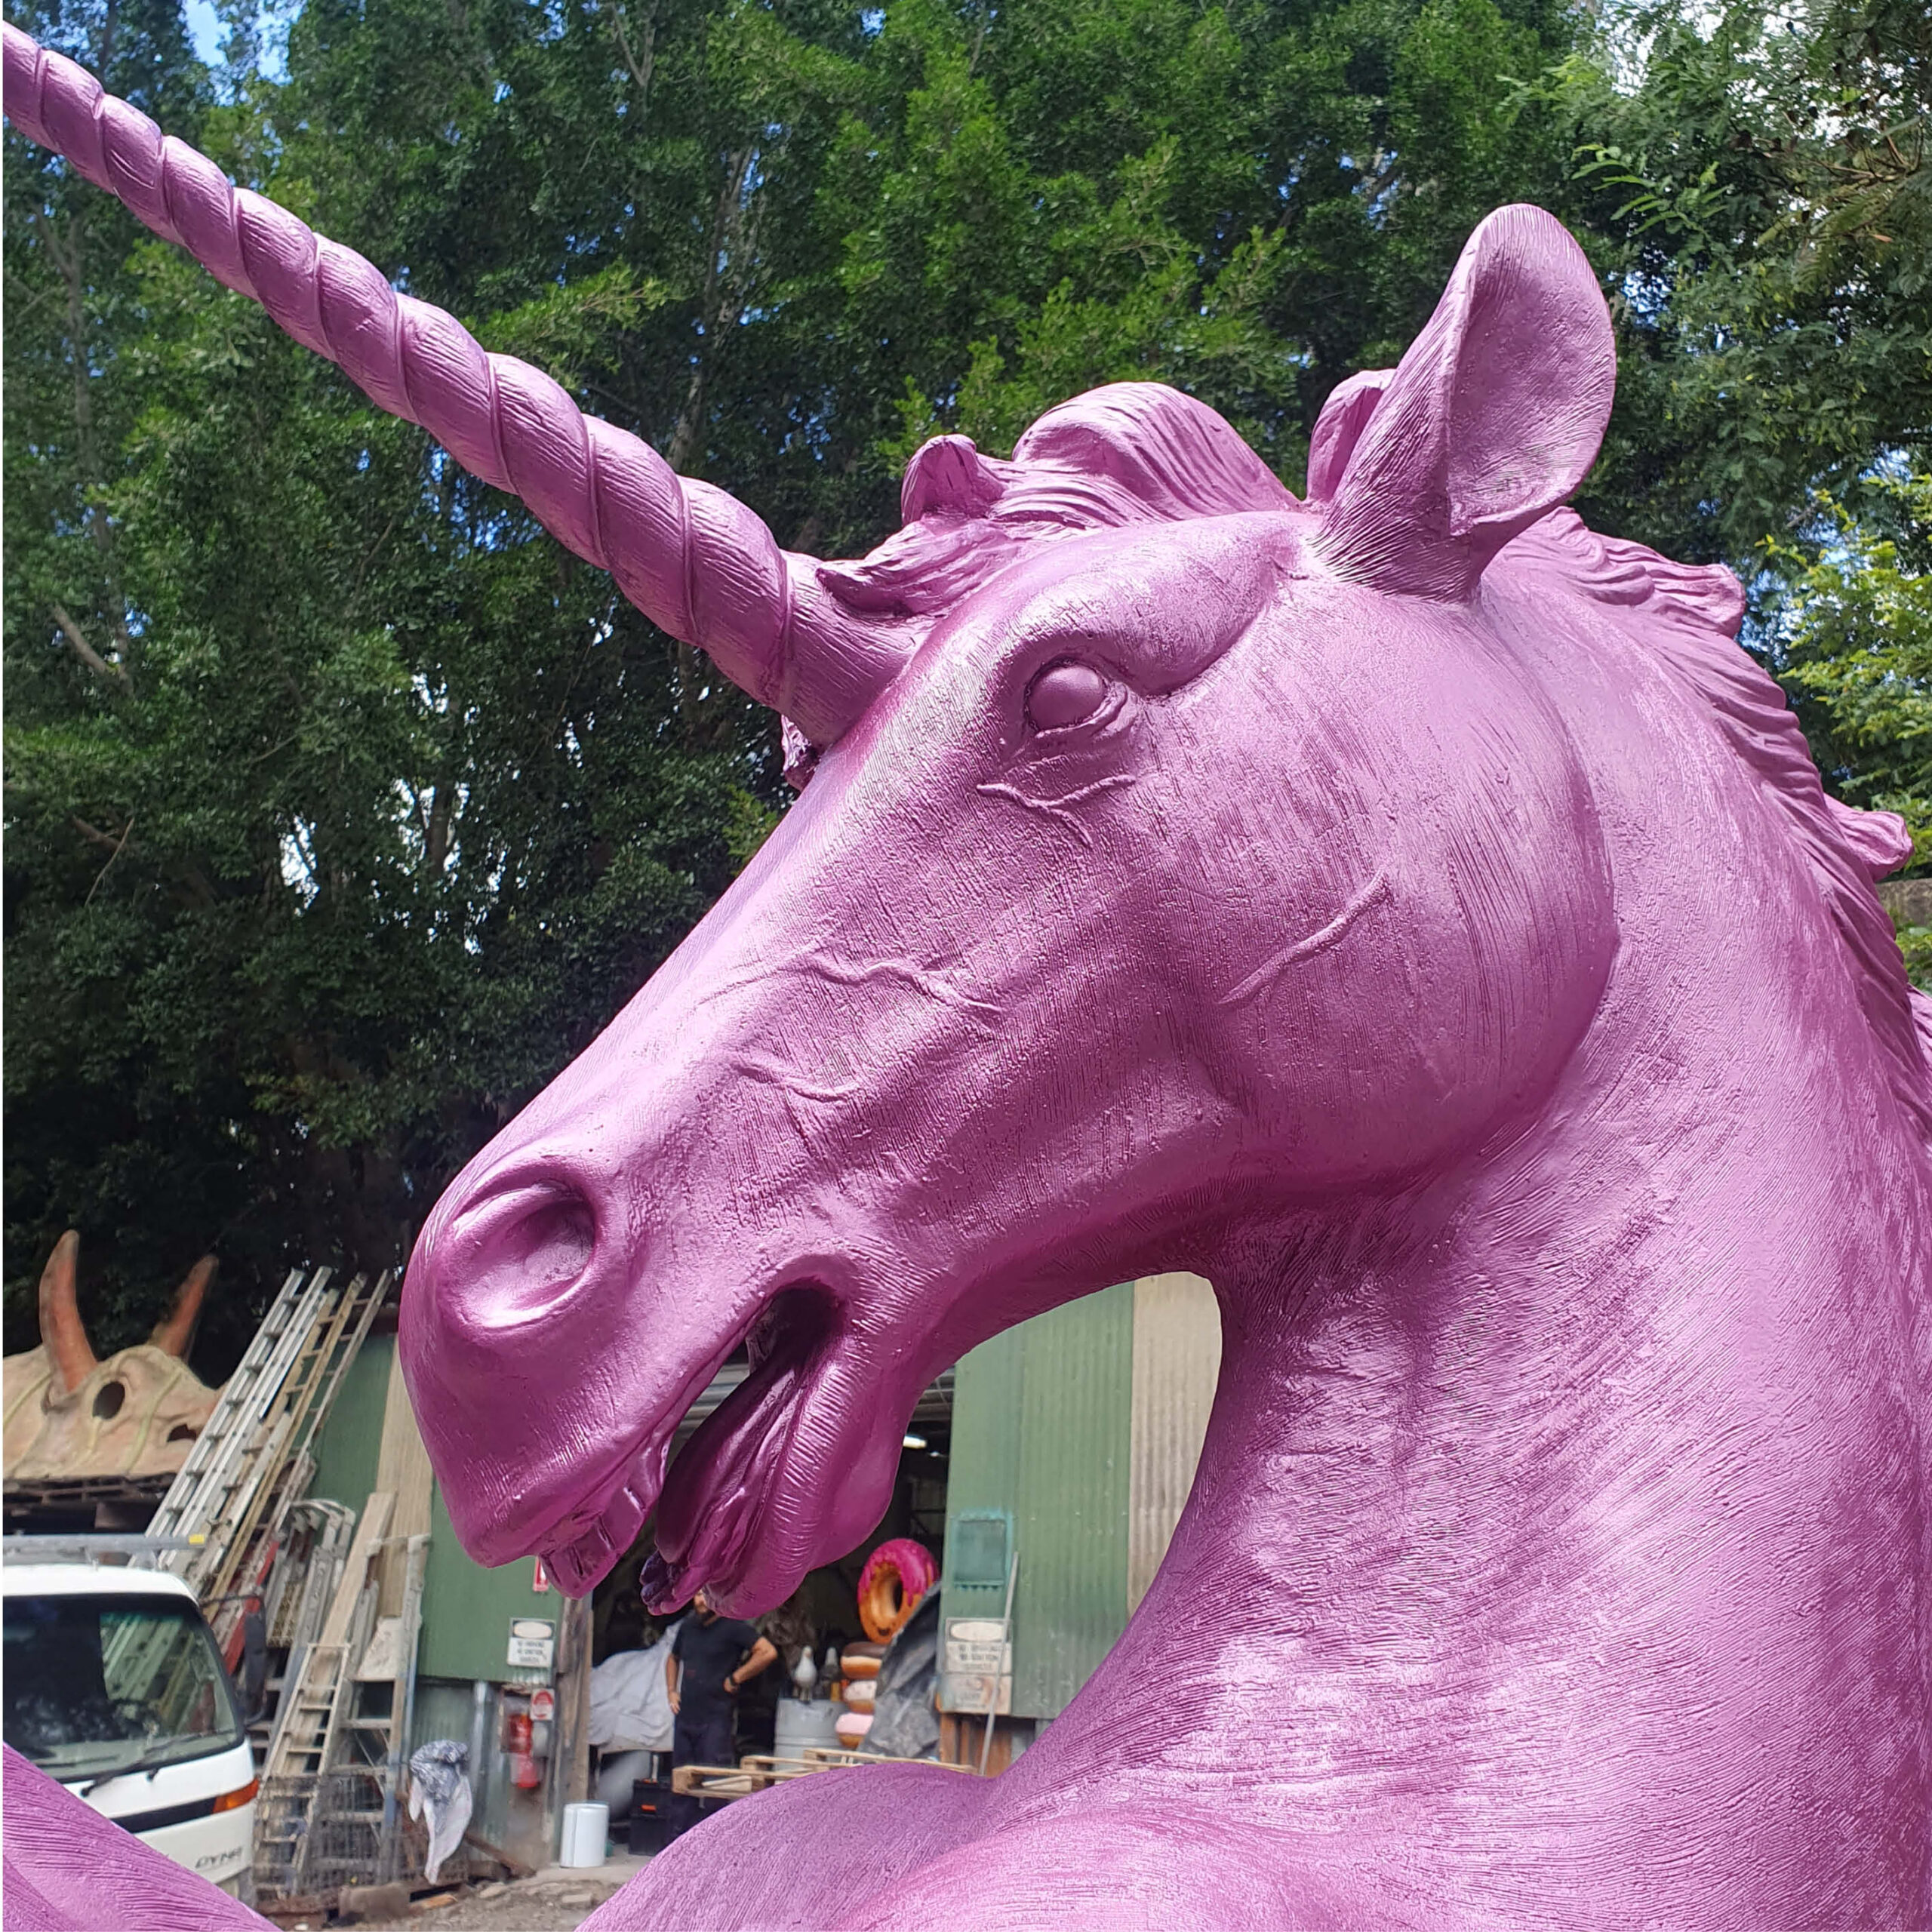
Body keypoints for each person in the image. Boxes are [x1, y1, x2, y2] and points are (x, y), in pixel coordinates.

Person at [664, 1588, 778, 1838]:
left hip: (716, 1719)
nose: (700, 1601)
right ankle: (677, 1848)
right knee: (681, 1786)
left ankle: (713, 1845)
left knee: (716, 1785)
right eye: (695, 1596)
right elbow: (673, 1659)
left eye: (705, 1596)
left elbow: (767, 1652)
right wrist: (671, 1691)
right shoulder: (688, 1626)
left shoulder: (733, 1627)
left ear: (717, 1598)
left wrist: (736, 1677)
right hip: (686, 1718)